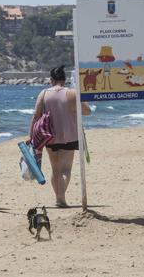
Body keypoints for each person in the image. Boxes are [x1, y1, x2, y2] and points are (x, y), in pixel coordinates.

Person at [29, 65, 91, 207]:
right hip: (70, 136)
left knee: (55, 169)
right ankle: (61, 198)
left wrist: (30, 135)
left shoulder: (43, 93)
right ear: (65, 79)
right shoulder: (72, 93)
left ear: (51, 79)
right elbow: (87, 111)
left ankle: (58, 198)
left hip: (49, 136)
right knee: (66, 169)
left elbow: (35, 116)